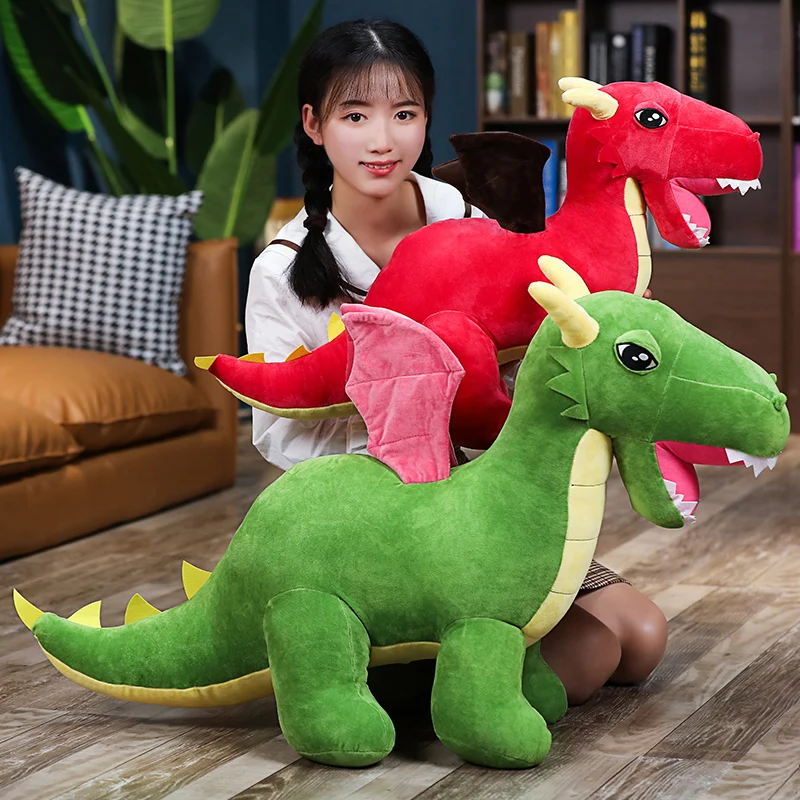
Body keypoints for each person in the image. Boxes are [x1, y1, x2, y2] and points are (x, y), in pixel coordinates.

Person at [244, 17, 667, 706]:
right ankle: (409, 675)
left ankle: (448, 671)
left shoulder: (460, 212)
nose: (382, 140)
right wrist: (404, 408)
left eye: (404, 114)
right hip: (381, 520)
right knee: (590, 653)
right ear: (314, 124)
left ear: (426, 118)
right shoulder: (282, 268)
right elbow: (277, 435)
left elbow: (517, 346)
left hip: (489, 490)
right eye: (355, 115)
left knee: (643, 638)